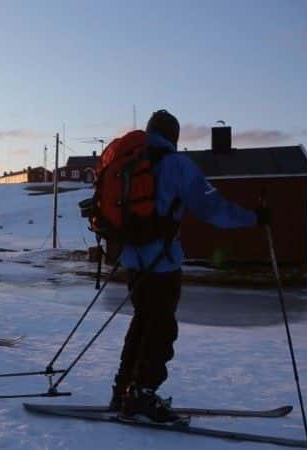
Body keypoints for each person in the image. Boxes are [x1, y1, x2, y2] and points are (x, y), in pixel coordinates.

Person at [109, 110, 270, 423]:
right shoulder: (176, 165)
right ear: (174, 136)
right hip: (162, 263)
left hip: (134, 261)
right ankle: (141, 396)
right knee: (161, 329)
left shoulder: (130, 164)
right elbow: (212, 207)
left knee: (142, 323)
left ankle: (123, 390)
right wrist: (254, 218)